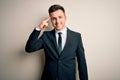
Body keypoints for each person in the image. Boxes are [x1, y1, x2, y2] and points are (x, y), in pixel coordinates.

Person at [25, 4, 88, 80]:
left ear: (65, 18)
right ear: (51, 20)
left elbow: (82, 63)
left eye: (60, 17)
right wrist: (38, 28)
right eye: (54, 18)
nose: (57, 21)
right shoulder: (46, 36)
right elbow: (29, 48)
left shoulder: (76, 37)